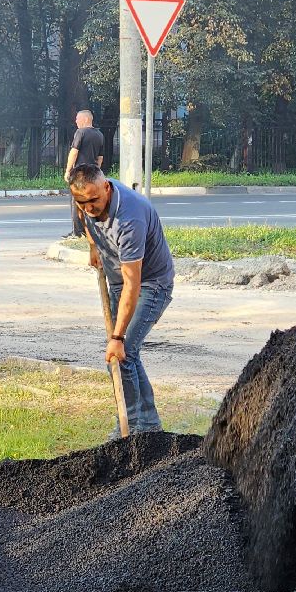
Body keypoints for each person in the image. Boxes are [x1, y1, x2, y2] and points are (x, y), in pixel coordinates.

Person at [68, 163, 174, 435]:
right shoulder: (86, 200)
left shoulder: (130, 219)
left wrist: (116, 338)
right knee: (127, 355)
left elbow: (133, 284)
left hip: (151, 284)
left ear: (106, 188)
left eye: (93, 200)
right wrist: (93, 246)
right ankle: (149, 427)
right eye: (81, 202)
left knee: (123, 352)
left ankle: (129, 430)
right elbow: (87, 221)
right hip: (117, 282)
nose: (88, 208)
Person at [64, 109, 106, 237]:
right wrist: (96, 170)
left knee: (76, 202)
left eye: (78, 118)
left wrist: (68, 170)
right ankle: (91, 231)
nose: (76, 121)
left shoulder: (80, 132)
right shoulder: (99, 134)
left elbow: (74, 151)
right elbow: (100, 157)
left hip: (80, 174)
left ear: (86, 119)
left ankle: (77, 232)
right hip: (93, 174)